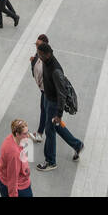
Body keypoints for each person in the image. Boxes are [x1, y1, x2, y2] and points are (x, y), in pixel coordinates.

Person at [34, 42, 83, 171]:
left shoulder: (56, 70)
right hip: (47, 98)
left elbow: (61, 94)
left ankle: (50, 161)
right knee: (55, 127)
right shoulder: (45, 61)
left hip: (54, 104)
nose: (38, 57)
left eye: (40, 54)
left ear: (47, 54)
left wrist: (58, 114)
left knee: (49, 131)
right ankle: (77, 145)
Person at [0, 119, 34, 197]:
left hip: (3, 179)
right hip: (19, 187)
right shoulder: (14, 154)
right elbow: (12, 179)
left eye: (28, 132)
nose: (28, 136)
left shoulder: (10, 138)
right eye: (25, 134)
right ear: (17, 134)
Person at [29, 35, 50, 147]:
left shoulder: (46, 61)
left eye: (38, 45)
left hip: (48, 92)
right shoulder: (39, 56)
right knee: (44, 110)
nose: (36, 47)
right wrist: (33, 63)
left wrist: (33, 64)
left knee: (48, 113)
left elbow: (38, 76)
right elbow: (35, 75)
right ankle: (40, 133)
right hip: (44, 90)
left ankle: (40, 134)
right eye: (36, 44)